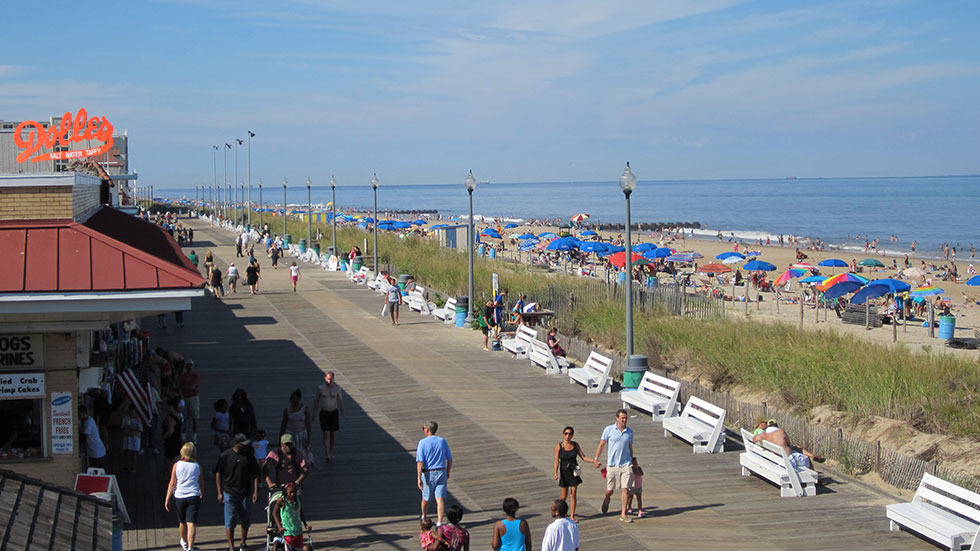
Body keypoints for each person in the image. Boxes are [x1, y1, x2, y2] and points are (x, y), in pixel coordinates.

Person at [215, 434, 260, 551]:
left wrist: (256, 491)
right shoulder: (225, 456)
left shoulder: (249, 456)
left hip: (245, 493)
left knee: (245, 519)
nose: (246, 446)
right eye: (243, 444)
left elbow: (255, 474)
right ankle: (231, 546)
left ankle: (243, 542)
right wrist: (219, 492)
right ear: (236, 444)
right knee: (230, 521)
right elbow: (218, 473)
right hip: (229, 492)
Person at [593, 409, 635, 523]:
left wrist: (633, 461)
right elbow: (601, 444)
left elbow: (630, 447)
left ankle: (623, 514)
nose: (624, 420)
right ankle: (607, 498)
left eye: (626, 418)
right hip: (612, 465)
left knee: (625, 488)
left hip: (626, 464)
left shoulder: (629, 432)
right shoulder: (609, 430)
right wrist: (596, 459)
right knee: (610, 489)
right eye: (622, 418)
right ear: (617, 418)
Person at [165, 442, 203, 551]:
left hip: (180, 496)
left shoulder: (177, 465)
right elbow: (201, 482)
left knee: (182, 521)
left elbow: (172, 483)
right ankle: (191, 547)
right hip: (193, 495)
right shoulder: (197, 466)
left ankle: (184, 541)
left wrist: (167, 498)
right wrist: (201, 491)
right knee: (191, 522)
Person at [416, 420, 453, 525]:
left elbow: (420, 462)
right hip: (441, 471)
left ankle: (424, 516)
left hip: (428, 473)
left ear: (427, 430)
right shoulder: (442, 441)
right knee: (440, 498)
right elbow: (449, 459)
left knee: (426, 498)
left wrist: (418, 477)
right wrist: (448, 471)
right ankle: (440, 522)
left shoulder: (422, 443)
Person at [553, 426, 590, 522]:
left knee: (573, 494)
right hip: (564, 472)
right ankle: (558, 510)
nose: (568, 435)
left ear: (572, 435)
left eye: (570, 434)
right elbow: (556, 461)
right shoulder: (559, 446)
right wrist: (555, 473)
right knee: (563, 496)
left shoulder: (575, 445)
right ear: (563, 435)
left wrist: (594, 461)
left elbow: (583, 457)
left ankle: (572, 516)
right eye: (566, 433)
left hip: (573, 472)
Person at [752, 419, 824, 468]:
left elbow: (754, 438)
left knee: (796, 447)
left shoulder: (764, 435)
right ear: (776, 426)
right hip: (788, 460)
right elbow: (789, 444)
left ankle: (812, 455)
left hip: (775, 458)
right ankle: (816, 480)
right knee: (806, 458)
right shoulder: (781, 432)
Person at [313, 372, 345, 461]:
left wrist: (342, 410)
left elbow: (340, 400)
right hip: (324, 412)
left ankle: (331, 451)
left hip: (333, 412)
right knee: (326, 434)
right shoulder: (321, 388)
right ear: (325, 378)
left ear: (333, 379)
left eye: (330, 379)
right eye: (327, 379)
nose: (329, 381)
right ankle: (327, 453)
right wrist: (313, 414)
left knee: (333, 434)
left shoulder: (337, 388)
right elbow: (316, 401)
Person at [272, 483, 311, 551]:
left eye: (294, 492)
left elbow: (301, 513)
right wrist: (279, 527)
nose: (292, 494)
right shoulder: (282, 500)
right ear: (286, 492)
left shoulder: (298, 499)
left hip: (298, 530)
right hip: (287, 531)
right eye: (290, 492)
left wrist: (305, 525)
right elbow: (274, 513)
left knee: (299, 549)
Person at [279, 389, 312, 463]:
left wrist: (308, 438)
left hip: (301, 434)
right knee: (290, 452)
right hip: (290, 435)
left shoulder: (305, 409)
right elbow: (283, 425)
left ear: (299, 399)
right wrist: (280, 439)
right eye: (291, 399)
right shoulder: (287, 410)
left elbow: (308, 425)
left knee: (302, 452)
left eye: (294, 399)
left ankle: (302, 466)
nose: (292, 401)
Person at [179, 360, 201, 444]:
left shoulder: (195, 375)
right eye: (188, 365)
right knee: (183, 418)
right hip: (185, 397)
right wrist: (189, 387)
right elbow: (181, 387)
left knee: (195, 418)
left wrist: (186, 387)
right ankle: (183, 436)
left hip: (193, 398)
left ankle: (194, 437)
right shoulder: (182, 376)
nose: (189, 367)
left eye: (190, 365)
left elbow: (192, 386)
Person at [161, 398, 184, 469]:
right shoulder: (179, 416)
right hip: (177, 441)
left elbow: (170, 431)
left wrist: (162, 438)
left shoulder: (170, 418)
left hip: (171, 442)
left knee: (170, 462)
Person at [120, 405, 143, 473]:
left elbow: (141, 429)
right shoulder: (126, 419)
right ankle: (126, 466)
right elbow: (122, 427)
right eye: (131, 412)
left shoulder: (138, 420)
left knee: (134, 453)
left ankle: (133, 467)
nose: (132, 414)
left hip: (135, 438)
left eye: (134, 412)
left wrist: (133, 428)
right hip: (127, 438)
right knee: (126, 453)